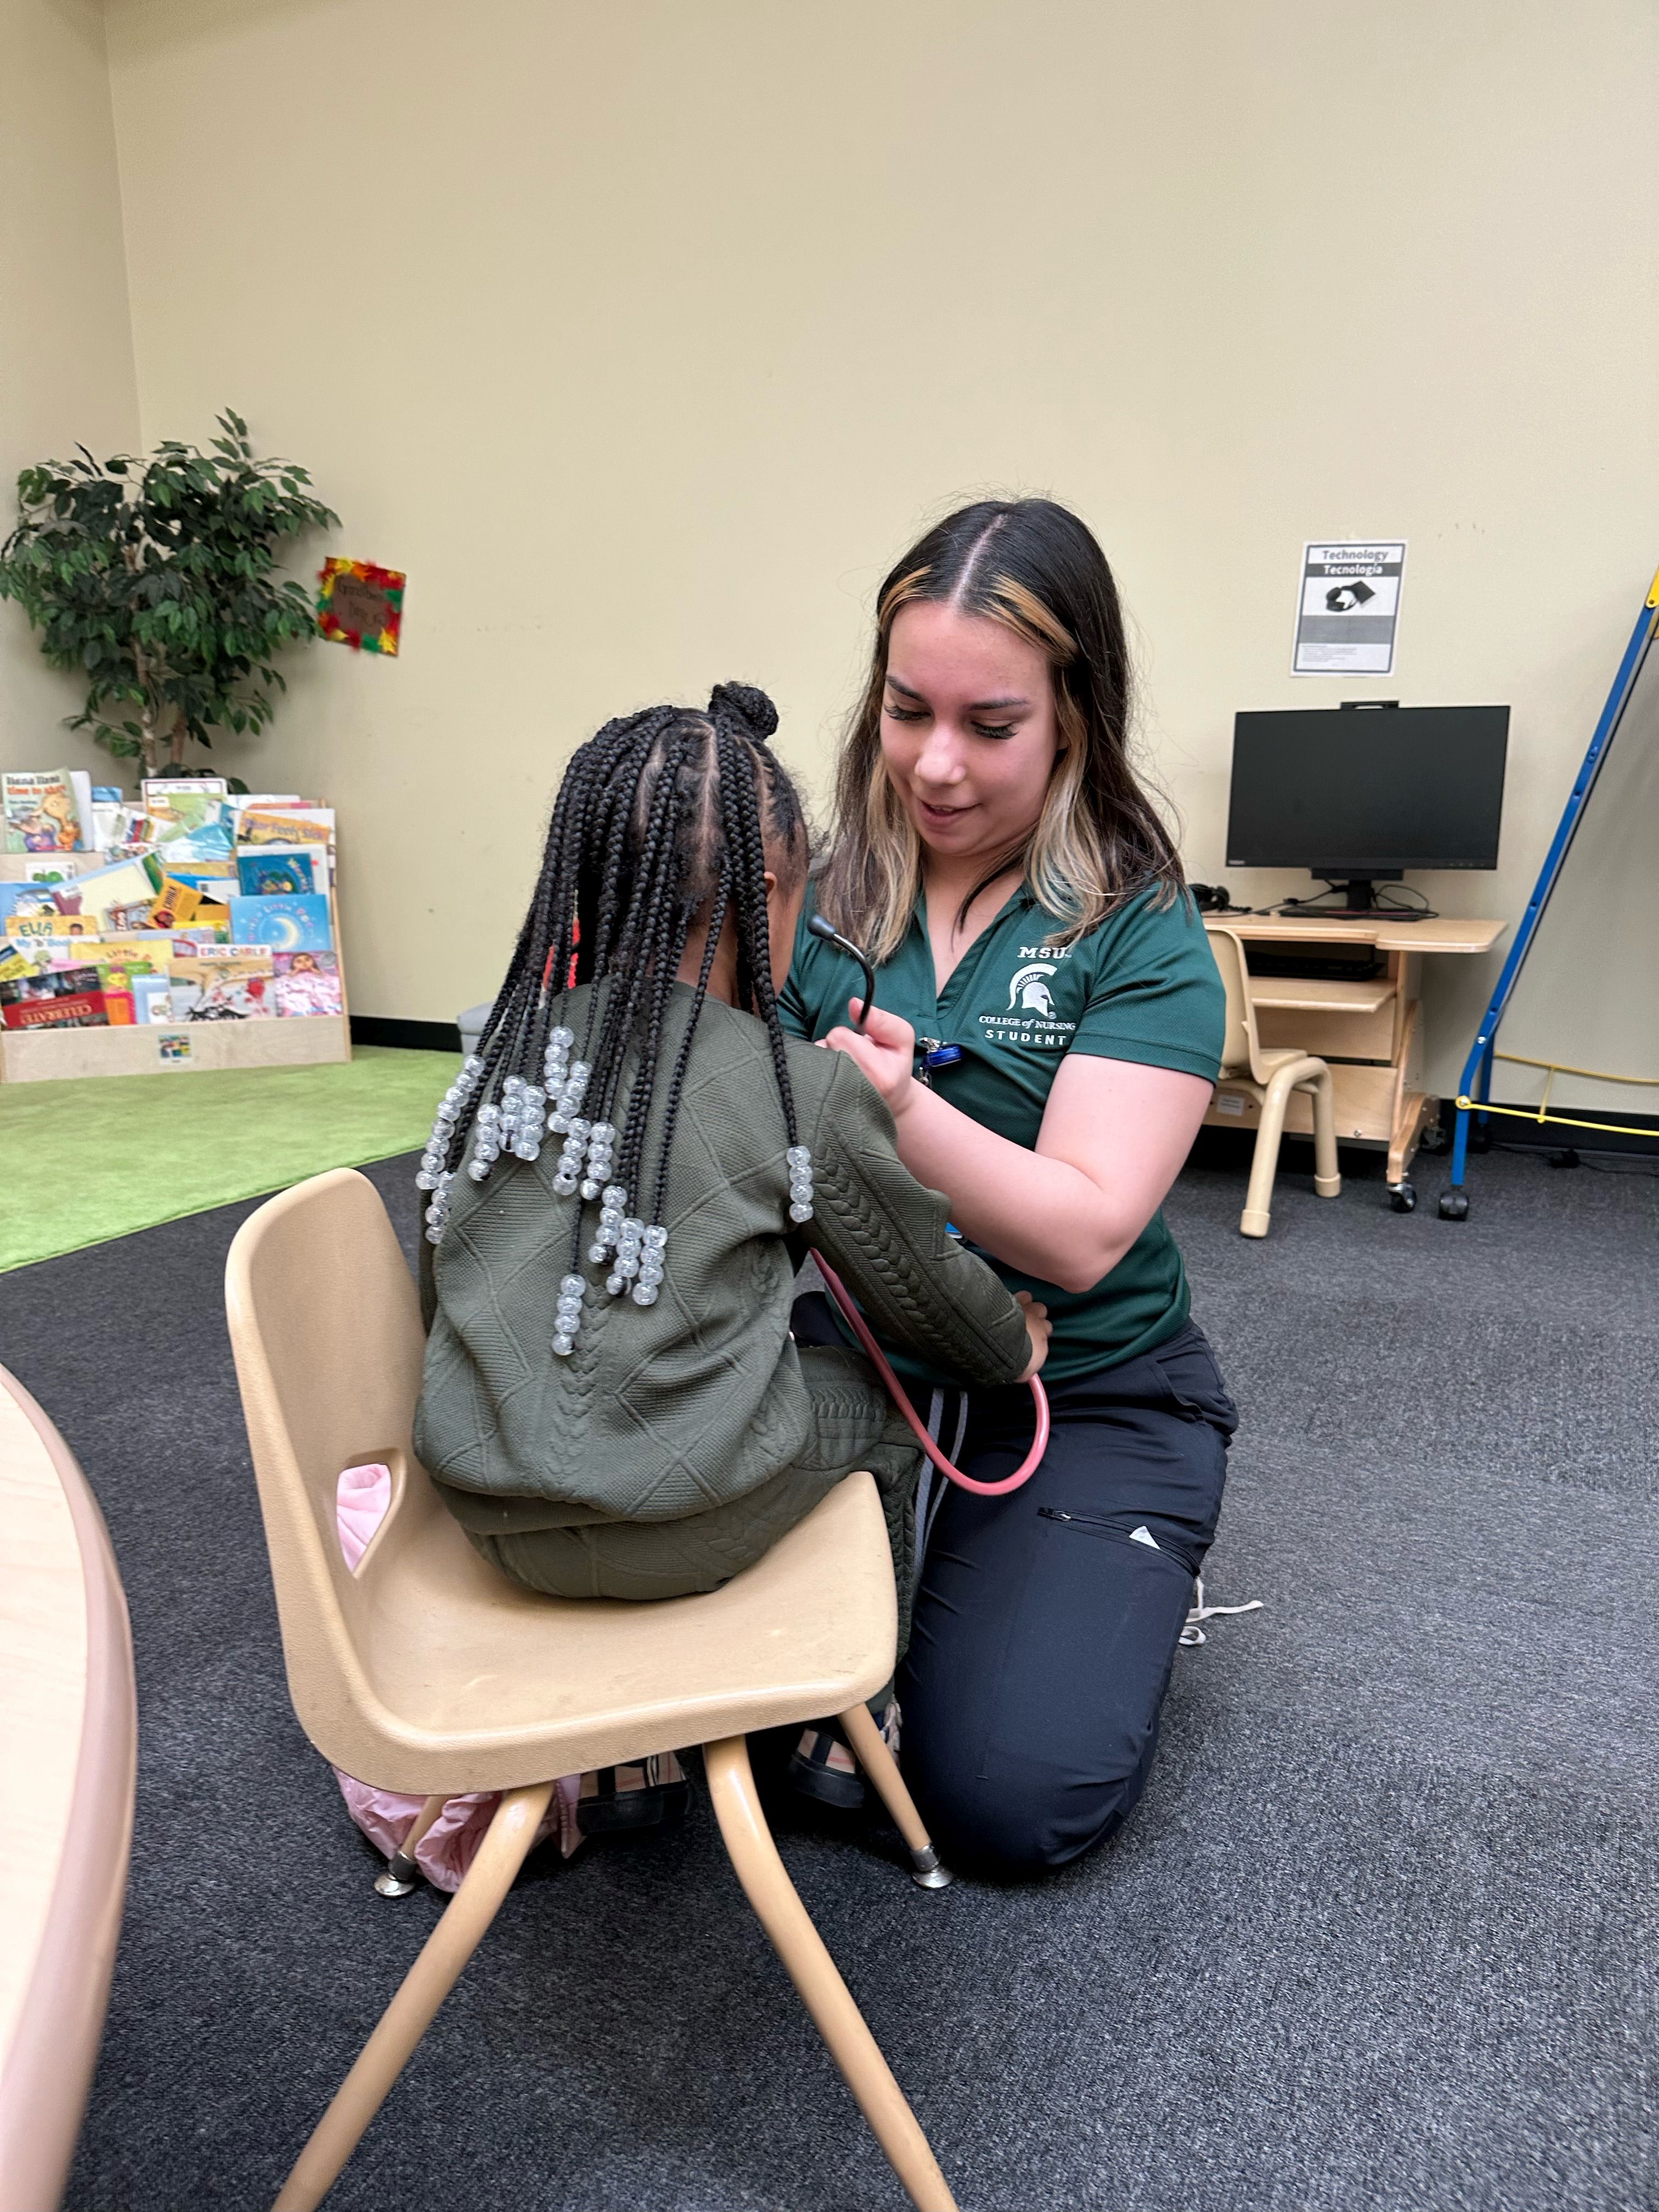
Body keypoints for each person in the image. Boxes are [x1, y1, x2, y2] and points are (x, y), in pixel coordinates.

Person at [411, 683, 1048, 1828]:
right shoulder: (799, 1086)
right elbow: (927, 1305)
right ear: (771, 897)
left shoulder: (500, 1051)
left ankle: (628, 1761)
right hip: (681, 1524)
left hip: (481, 1519)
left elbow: (443, 1273)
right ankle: (847, 1734)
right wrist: (1013, 1342)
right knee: (884, 1410)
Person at [781, 498, 1235, 1877]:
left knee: (1001, 1803)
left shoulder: (1139, 927)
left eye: (991, 726)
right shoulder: (805, 895)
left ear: (1075, 721)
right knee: (688, 1707)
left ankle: (1116, 1568)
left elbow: (1087, 1229)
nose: (934, 763)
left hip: (1090, 1381)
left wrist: (900, 1108)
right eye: (908, 709)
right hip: (865, 1353)